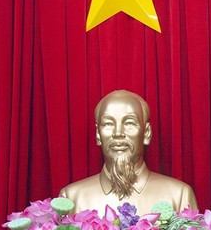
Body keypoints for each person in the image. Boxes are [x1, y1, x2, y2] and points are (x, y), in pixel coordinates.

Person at [59, 90, 198, 215]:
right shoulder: (71, 198)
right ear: (98, 134)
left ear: (146, 133)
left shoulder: (179, 196)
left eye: (129, 123)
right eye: (108, 124)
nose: (118, 133)